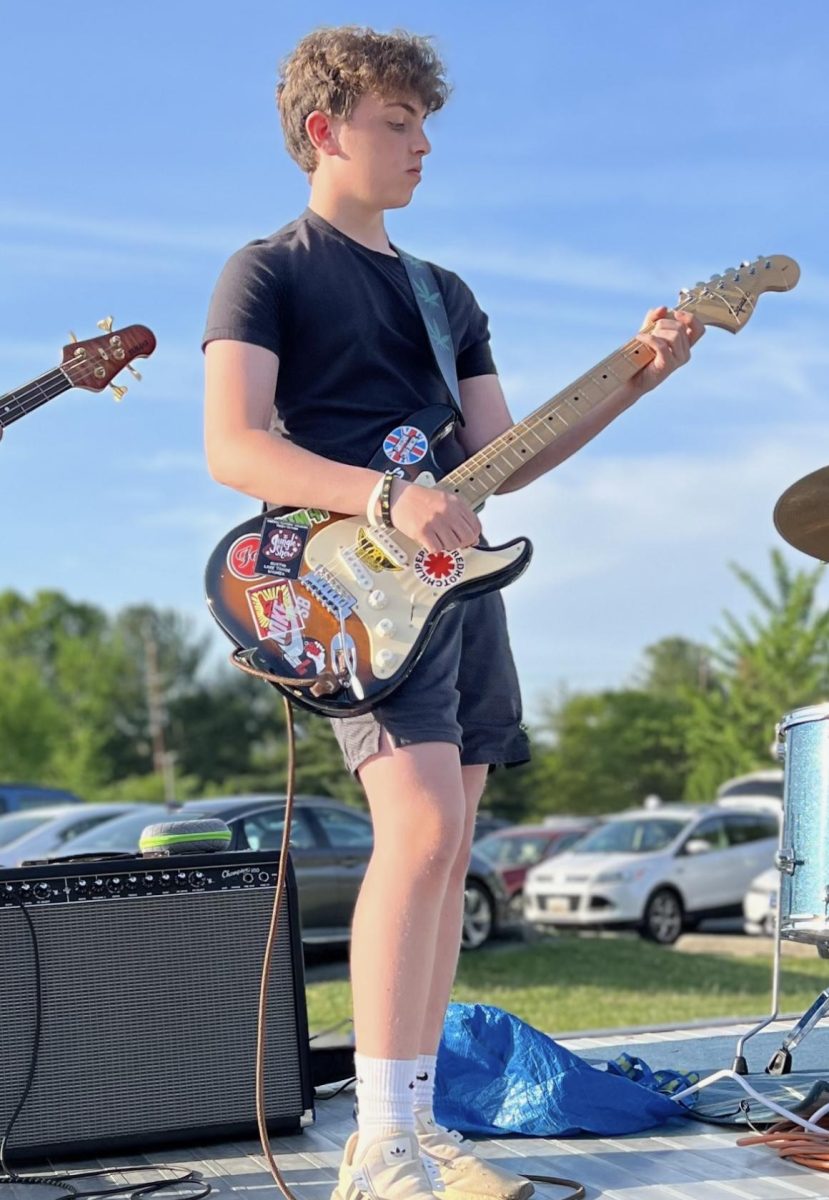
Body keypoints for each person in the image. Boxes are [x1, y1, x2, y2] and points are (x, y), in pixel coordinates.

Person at [202, 25, 703, 1200]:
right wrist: (386, 493)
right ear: (324, 133)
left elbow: (503, 457)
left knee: (448, 847)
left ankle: (420, 1132)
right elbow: (234, 446)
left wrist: (642, 377)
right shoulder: (266, 268)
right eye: (397, 124)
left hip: (458, 585)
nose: (423, 144)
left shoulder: (444, 294)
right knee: (418, 833)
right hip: (347, 588)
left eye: (426, 125)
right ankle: (375, 1147)